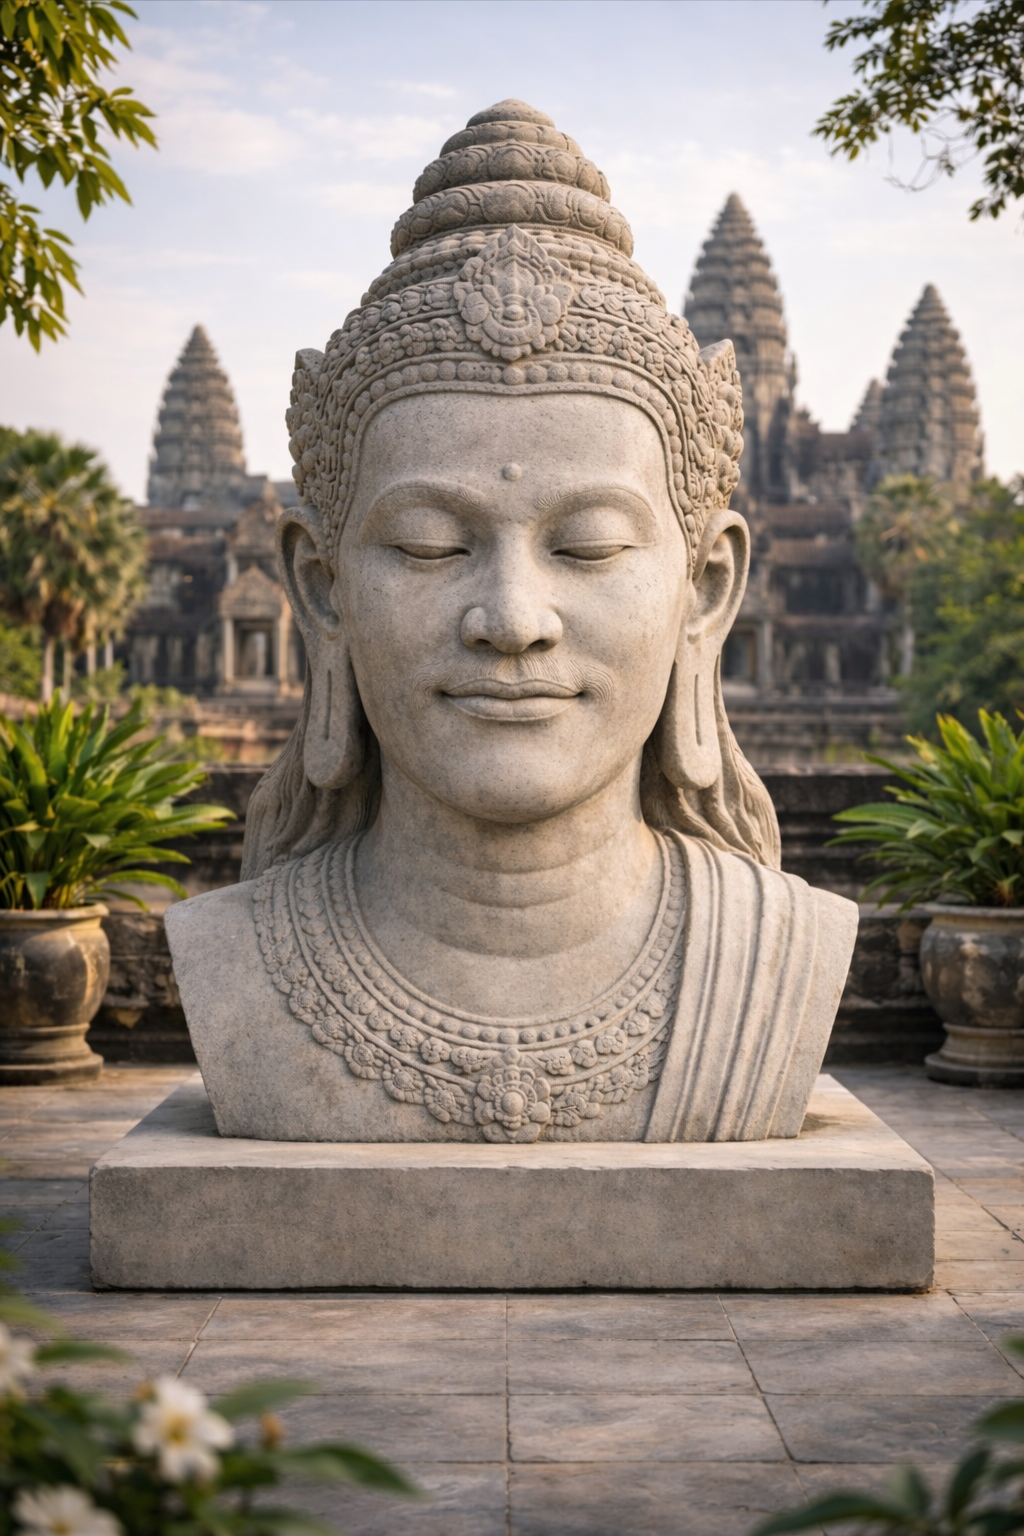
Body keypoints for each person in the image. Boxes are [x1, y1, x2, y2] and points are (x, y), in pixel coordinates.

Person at [167, 101, 857, 1144]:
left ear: (705, 590)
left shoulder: (780, 956)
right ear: (319, 589)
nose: (512, 619)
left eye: (585, 547)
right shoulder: (230, 957)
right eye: (433, 546)